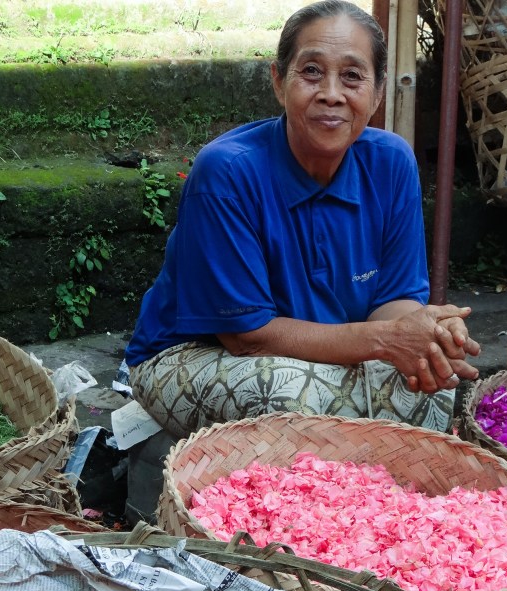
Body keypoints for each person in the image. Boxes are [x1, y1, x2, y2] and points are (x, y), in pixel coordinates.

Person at [124, 0, 480, 438]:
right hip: (192, 355)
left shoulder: (392, 163)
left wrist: (424, 334)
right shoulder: (227, 172)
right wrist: (387, 341)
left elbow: (394, 302)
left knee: (432, 383)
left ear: (378, 92)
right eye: (311, 71)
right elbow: (247, 338)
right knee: (291, 396)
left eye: (352, 76)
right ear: (278, 81)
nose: (332, 92)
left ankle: (379, 504)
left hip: (331, 349)